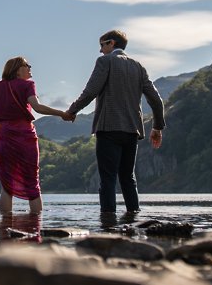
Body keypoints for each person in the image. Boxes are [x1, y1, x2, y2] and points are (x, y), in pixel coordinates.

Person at [64, 30, 165, 215]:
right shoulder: (139, 66)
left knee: (108, 178)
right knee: (128, 178)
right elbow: (156, 101)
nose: (101, 50)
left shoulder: (106, 61)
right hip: (132, 131)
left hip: (109, 128)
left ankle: (108, 224)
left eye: (102, 45)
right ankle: (133, 219)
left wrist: (71, 111)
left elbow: (91, 91)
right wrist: (157, 127)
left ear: (112, 43)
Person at [0, 56, 71, 215]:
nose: (30, 67)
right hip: (25, 138)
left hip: (4, 139)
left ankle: (5, 227)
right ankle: (35, 226)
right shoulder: (28, 85)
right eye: (27, 65)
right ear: (18, 69)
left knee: (6, 185)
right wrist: (61, 113)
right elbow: (37, 107)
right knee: (32, 181)